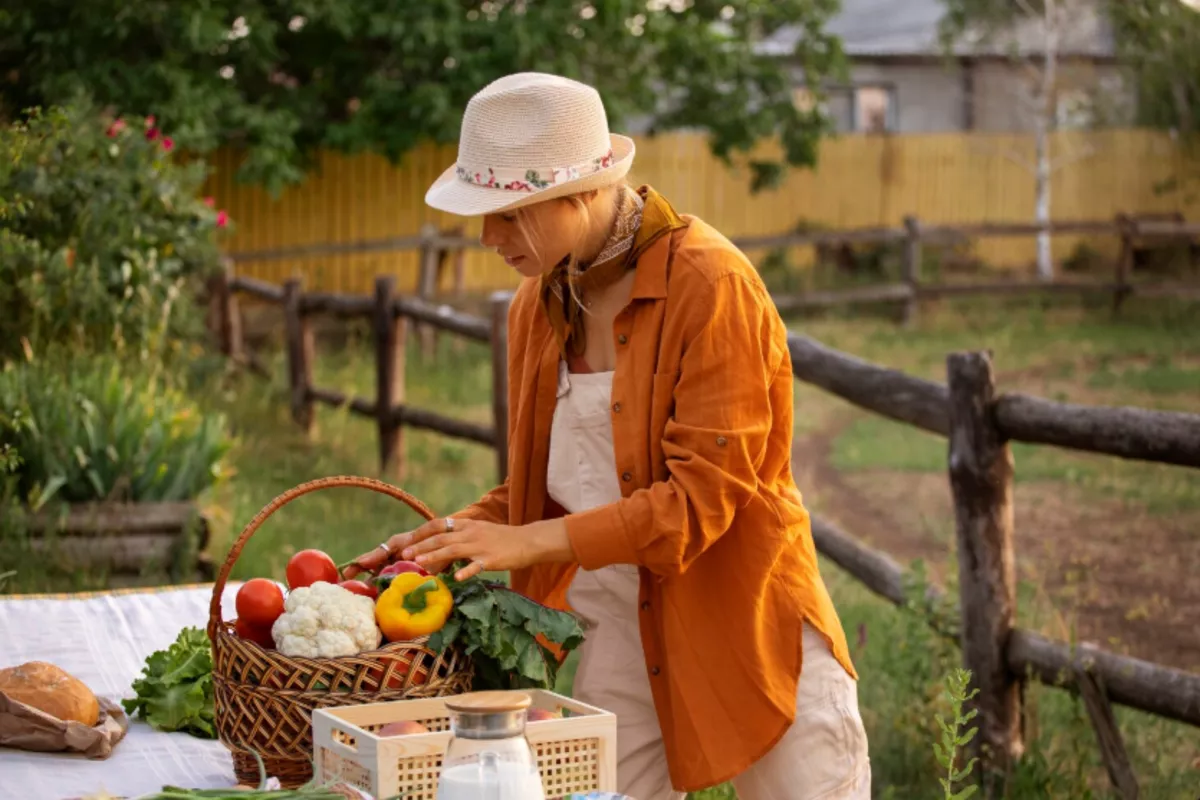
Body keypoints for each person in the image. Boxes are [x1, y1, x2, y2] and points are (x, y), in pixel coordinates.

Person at [344, 72, 870, 800]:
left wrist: (529, 544)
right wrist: (450, 536)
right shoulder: (536, 304)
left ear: (581, 192)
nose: (488, 238)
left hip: (745, 616)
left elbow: (698, 504)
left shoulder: (710, 284)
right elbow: (550, 489)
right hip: (615, 628)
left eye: (508, 213)